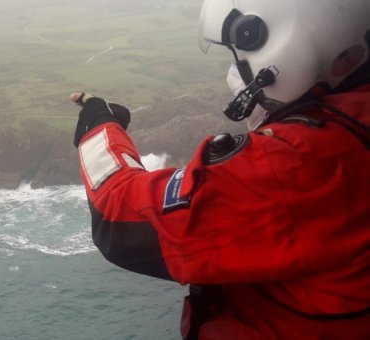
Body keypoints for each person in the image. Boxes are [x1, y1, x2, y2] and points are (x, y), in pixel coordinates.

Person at [69, 0, 369, 339]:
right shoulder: (354, 121)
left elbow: (117, 214)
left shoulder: (302, 163)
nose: (236, 73)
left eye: (238, 56)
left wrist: (98, 124)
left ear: (289, 43)